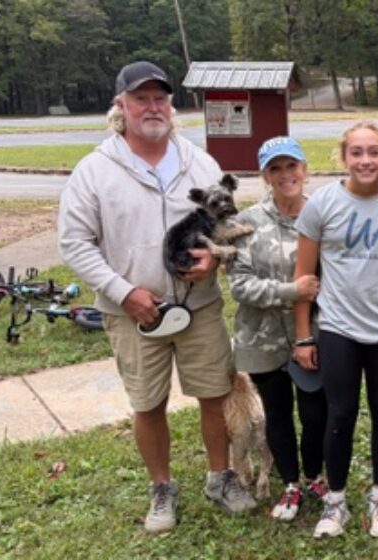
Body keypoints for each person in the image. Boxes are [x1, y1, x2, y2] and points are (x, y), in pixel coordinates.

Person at [58, 60, 256, 534]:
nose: (152, 107)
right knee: (148, 404)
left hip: (198, 306)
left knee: (214, 395)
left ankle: (221, 477)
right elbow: (74, 242)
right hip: (134, 314)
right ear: (121, 106)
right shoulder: (94, 171)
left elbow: (224, 223)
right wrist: (123, 292)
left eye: (160, 99)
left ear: (171, 105)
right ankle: (161, 488)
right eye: (141, 99)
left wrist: (214, 261)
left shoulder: (199, 163)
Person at [292, 122, 378, 539]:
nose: (366, 161)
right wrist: (303, 336)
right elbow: (303, 277)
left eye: (374, 152)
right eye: (357, 153)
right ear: (343, 156)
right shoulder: (322, 204)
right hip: (339, 328)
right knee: (340, 414)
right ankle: (336, 502)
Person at [226, 136, 327, 522]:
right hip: (262, 337)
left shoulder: (321, 215)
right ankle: (290, 483)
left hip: (313, 333)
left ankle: (314, 476)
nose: (286, 175)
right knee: (277, 412)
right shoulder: (246, 223)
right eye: (275, 168)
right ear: (265, 176)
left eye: (292, 166)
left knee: (316, 412)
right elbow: (240, 285)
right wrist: (291, 291)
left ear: (305, 170)